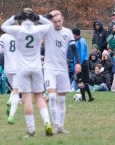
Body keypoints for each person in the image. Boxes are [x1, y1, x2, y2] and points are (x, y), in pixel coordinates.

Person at [1, 8, 53, 137]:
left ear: (22, 18)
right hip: (36, 67)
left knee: (27, 99)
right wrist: (39, 17)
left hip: (22, 68)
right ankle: (47, 123)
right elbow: (50, 25)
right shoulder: (37, 30)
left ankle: (31, 130)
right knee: (39, 97)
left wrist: (14, 17)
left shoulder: (18, 30)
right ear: (33, 18)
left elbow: (3, 26)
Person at [44, 10, 82, 134]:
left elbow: (74, 48)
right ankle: (54, 125)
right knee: (52, 96)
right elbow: (41, 20)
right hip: (49, 68)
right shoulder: (47, 30)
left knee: (61, 100)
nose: (57, 23)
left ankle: (60, 126)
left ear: (63, 20)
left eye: (59, 21)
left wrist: (77, 62)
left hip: (62, 69)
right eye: (55, 22)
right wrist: (50, 15)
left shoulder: (68, 33)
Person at [0, 33, 20, 124]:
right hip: (18, 68)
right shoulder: (21, 35)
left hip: (7, 68)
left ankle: (10, 100)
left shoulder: (3, 37)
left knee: (14, 88)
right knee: (17, 91)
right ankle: (11, 116)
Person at [72, 28, 94, 102]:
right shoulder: (77, 41)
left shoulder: (81, 41)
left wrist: (79, 64)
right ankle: (90, 97)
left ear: (75, 34)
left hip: (82, 63)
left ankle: (84, 99)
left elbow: (81, 54)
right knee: (84, 82)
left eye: (73, 34)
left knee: (80, 81)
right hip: (80, 63)